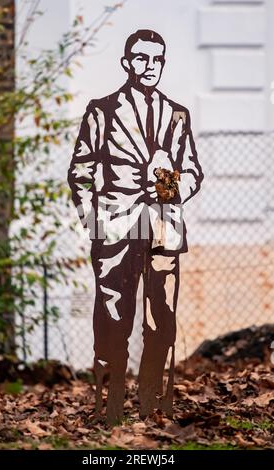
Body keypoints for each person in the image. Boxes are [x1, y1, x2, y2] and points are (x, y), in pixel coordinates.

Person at [68, 29, 204, 424]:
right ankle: (107, 408)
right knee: (113, 319)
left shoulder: (177, 113)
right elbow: (81, 172)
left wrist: (167, 183)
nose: (150, 67)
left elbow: (193, 171)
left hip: (164, 228)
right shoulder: (102, 109)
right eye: (142, 59)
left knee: (161, 321)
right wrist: (94, 222)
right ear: (127, 62)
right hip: (114, 229)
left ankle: (152, 406)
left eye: (157, 60)